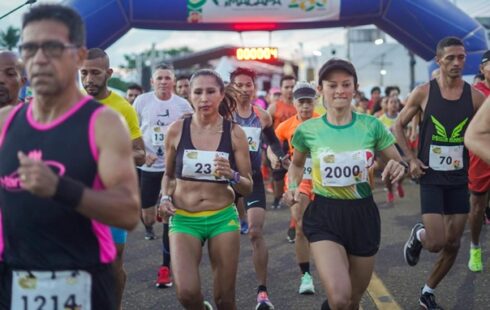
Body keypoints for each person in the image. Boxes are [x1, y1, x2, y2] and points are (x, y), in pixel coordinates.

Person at [0, 4, 140, 309]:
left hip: (82, 279)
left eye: (51, 48)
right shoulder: (6, 121)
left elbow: (129, 212)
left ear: (77, 56)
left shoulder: (103, 124)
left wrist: (61, 188)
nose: (39, 59)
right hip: (13, 277)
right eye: (30, 48)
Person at [284, 58, 405, 310]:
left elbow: (396, 160)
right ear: (321, 90)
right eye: (332, 85)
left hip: (363, 214)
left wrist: (397, 166)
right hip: (325, 214)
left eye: (345, 84)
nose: (339, 90)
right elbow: (296, 165)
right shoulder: (308, 130)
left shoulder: (371, 125)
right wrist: (292, 189)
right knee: (340, 297)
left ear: (355, 88)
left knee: (351, 301)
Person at [394, 37, 486, 309]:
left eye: (461, 57)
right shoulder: (424, 93)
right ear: (438, 60)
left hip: (459, 177)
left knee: (454, 243)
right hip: (431, 176)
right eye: (450, 58)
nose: (457, 63)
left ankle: (427, 292)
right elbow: (398, 126)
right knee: (436, 242)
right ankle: (420, 235)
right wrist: (410, 158)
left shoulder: (475, 97)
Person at [159, 69, 252, 310]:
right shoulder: (176, 130)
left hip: (222, 217)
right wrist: (165, 197)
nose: (204, 98)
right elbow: (168, 175)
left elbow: (248, 186)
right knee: (187, 294)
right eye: (198, 92)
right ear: (189, 95)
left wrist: (231, 175)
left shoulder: (235, 133)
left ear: (222, 95)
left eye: (211, 91)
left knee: (225, 299)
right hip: (184, 219)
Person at [80, 47, 145, 310]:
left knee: (114, 264)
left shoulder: (122, 108)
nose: (88, 80)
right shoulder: (69, 105)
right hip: (78, 197)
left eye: (95, 73)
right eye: (83, 73)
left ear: (108, 73)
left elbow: (140, 154)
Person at [230, 67, 287, 309]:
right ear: (231, 87)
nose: (244, 89)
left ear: (255, 87)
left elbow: (273, 141)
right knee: (221, 238)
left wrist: (279, 157)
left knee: (255, 232)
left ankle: (262, 292)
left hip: (251, 179)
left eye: (248, 85)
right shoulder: (223, 114)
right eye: (239, 85)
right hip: (223, 181)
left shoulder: (262, 116)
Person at [133, 63, 193, 287]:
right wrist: (142, 153)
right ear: (152, 82)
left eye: (167, 78)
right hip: (149, 166)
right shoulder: (142, 102)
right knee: (147, 216)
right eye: (160, 78)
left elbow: (191, 133)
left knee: (169, 216)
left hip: (173, 169)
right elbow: (134, 130)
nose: (164, 82)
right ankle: (150, 223)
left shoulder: (183, 105)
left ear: (174, 81)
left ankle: (165, 268)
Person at [273, 81, 319, 295]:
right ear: (294, 103)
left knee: (323, 227)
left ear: (315, 102)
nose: (306, 107)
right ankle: (306, 276)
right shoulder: (286, 126)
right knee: (300, 225)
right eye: (301, 102)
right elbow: (271, 145)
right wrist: (275, 158)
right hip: (298, 178)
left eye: (309, 102)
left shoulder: (325, 122)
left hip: (324, 180)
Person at [466, 50, 490, 272]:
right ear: (482, 69)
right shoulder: (475, 93)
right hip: (480, 157)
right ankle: (474, 246)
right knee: (477, 207)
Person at [267, 75, 297, 209]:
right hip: (278, 144)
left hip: (296, 144)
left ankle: (296, 195)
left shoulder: (300, 105)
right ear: (281, 89)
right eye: (287, 87)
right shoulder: (274, 107)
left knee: (296, 171)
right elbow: (264, 125)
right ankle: (277, 198)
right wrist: (267, 145)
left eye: (292, 87)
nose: (290, 90)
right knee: (277, 173)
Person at [378, 96, 405, 205]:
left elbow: (407, 132)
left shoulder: (402, 117)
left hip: (399, 147)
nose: (394, 104)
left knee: (404, 170)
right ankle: (390, 190)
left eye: (396, 102)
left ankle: (399, 184)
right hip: (385, 149)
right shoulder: (381, 119)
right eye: (391, 102)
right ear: (387, 104)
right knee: (387, 173)